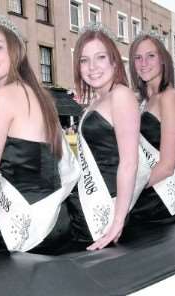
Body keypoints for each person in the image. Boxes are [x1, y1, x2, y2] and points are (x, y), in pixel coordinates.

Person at [0, 14, 80, 256]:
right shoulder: (38, 95)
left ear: (15, 51)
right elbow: (30, 157)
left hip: (27, 226)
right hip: (57, 220)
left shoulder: (2, 97)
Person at [70, 23, 145, 251]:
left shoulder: (121, 95)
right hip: (91, 197)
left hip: (106, 205)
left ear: (114, 61)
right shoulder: (96, 101)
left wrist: (118, 221)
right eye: (84, 60)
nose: (92, 67)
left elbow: (129, 162)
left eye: (100, 57)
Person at [126, 33, 175, 229]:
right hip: (149, 190)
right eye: (137, 57)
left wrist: (127, 191)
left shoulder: (170, 97)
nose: (143, 63)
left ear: (163, 60)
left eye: (150, 56)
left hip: (160, 199)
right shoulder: (144, 101)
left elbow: (168, 166)